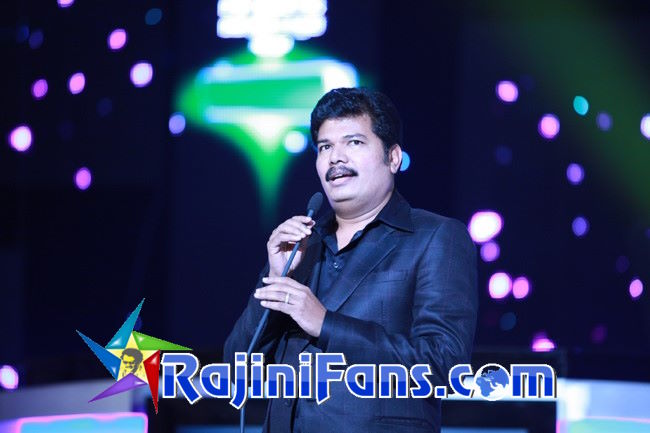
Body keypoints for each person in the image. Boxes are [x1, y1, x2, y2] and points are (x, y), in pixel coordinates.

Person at [224, 87, 478, 433]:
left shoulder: (435, 237)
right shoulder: (302, 246)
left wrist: (326, 324)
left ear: (393, 158)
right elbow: (236, 368)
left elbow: (444, 363)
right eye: (325, 147)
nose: (335, 158)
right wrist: (276, 275)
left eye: (354, 142)